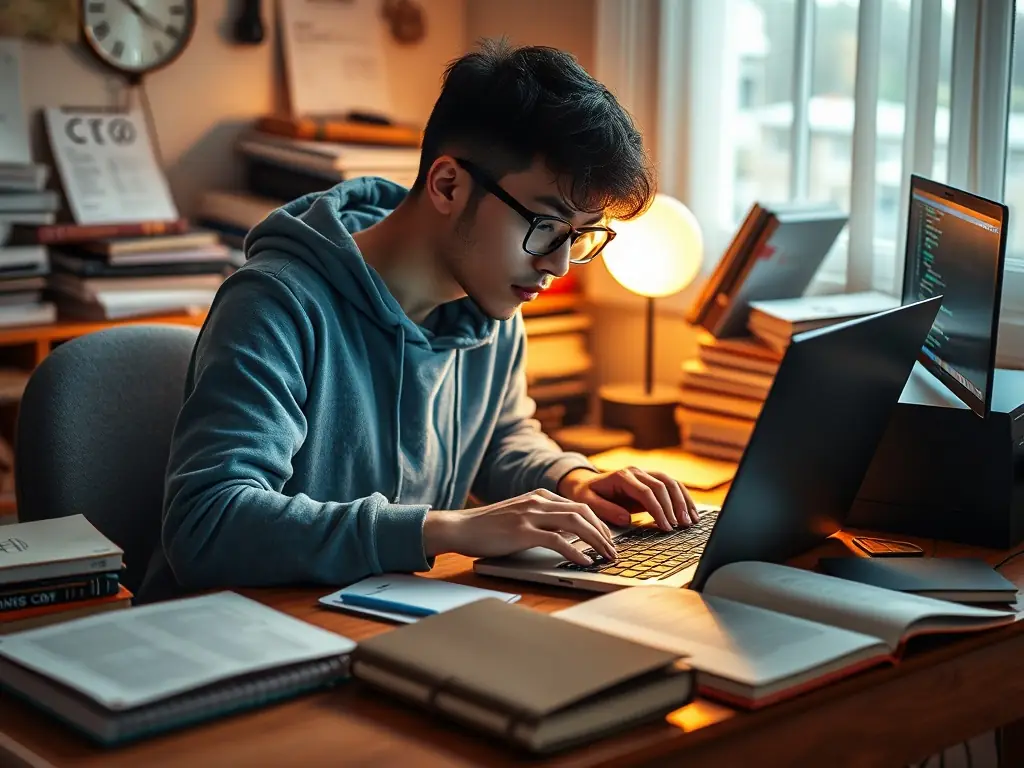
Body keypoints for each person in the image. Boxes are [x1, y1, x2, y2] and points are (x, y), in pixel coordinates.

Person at [138, 38, 700, 601]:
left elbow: (501, 438)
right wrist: (445, 529)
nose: (556, 264)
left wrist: (572, 481)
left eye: (579, 237)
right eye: (546, 226)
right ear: (448, 185)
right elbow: (208, 524)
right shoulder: (276, 303)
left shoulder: (494, 300)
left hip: (375, 620)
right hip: (240, 636)